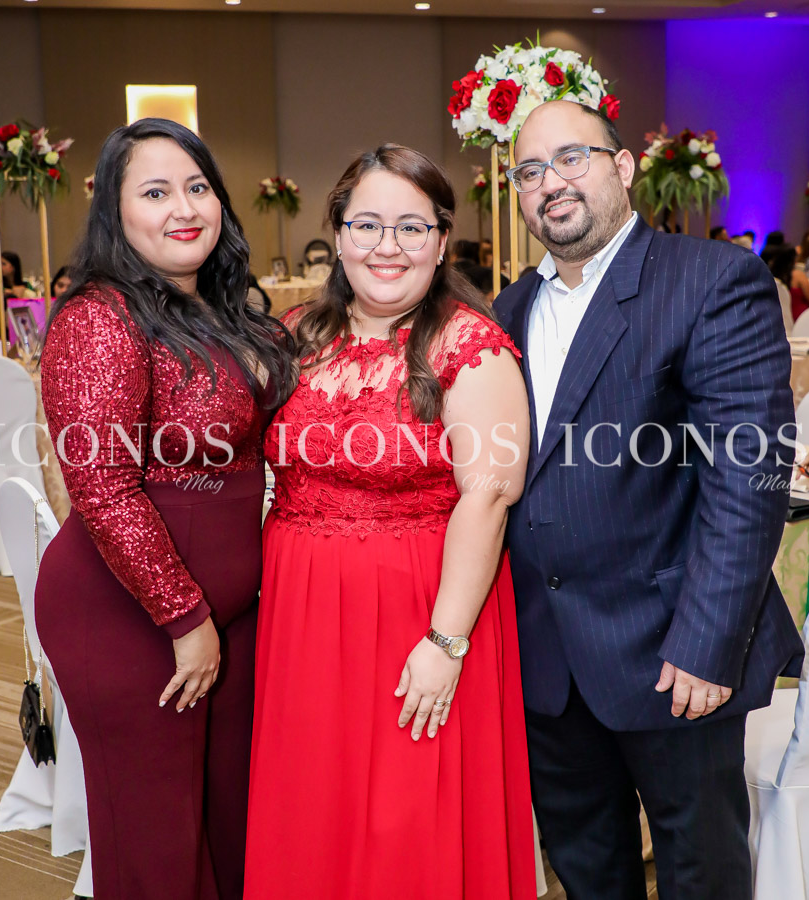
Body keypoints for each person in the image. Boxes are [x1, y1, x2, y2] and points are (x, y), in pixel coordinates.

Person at [496, 99, 804, 900]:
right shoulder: (507, 310)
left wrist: (707, 643)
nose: (550, 183)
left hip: (674, 654)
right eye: (529, 171)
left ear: (623, 167)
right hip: (547, 661)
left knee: (701, 874)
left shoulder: (708, 279)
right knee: (586, 874)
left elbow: (748, 476)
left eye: (572, 158)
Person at [244, 143, 534, 899]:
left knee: (408, 820)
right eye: (367, 224)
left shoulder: (470, 346)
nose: (387, 246)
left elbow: (488, 498)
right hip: (302, 615)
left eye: (411, 227)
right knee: (315, 806)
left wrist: (444, 643)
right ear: (338, 235)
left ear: (441, 242)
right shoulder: (297, 333)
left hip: (422, 613)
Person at [35, 118, 295, 900]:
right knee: (156, 845)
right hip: (130, 618)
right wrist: (185, 619)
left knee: (230, 824)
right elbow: (102, 486)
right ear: (115, 212)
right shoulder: (99, 317)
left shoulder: (223, 310)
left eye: (197, 186)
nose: (184, 207)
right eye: (155, 192)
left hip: (229, 618)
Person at [762, 243, 809, 322]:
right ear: (793, 259)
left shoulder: (769, 276)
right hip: (801, 318)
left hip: (778, 318)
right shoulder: (797, 275)